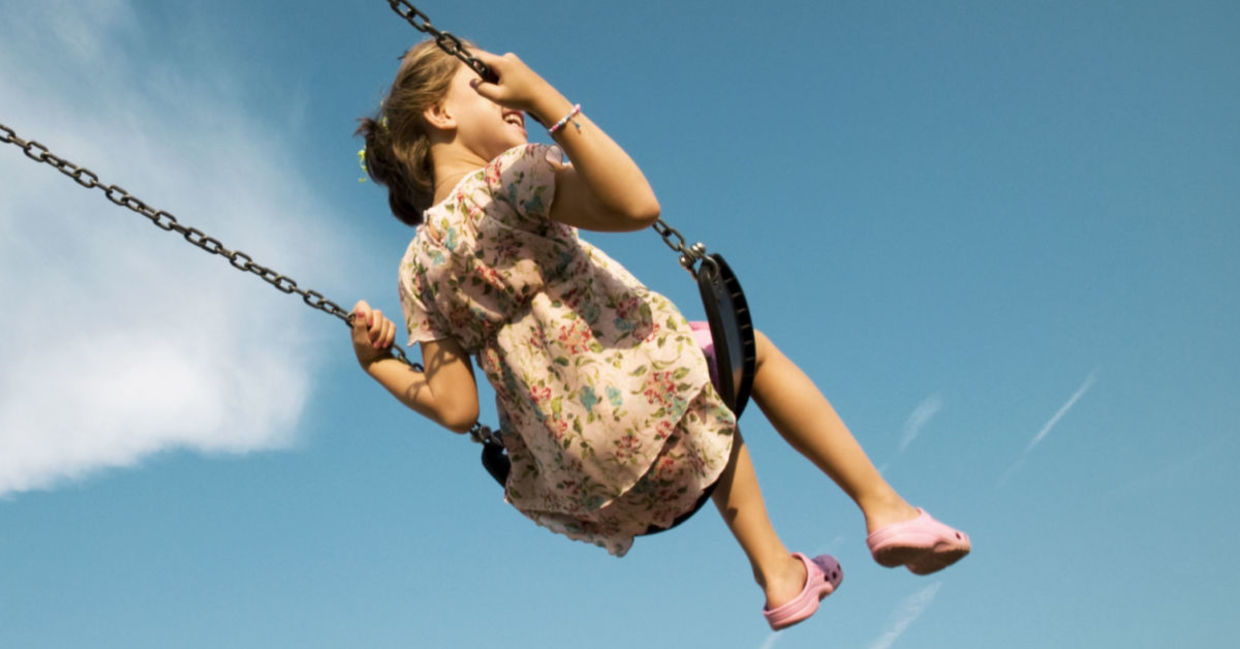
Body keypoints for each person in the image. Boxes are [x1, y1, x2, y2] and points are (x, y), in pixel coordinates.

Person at [350, 39, 970, 630]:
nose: (504, 90)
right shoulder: (509, 181)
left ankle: (779, 574)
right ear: (439, 114)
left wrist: (379, 365)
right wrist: (542, 96)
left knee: (698, 408)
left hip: (580, 476)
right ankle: (884, 508)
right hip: (640, 390)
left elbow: (456, 409)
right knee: (745, 358)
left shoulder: (414, 272)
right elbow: (636, 205)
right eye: (484, 80)